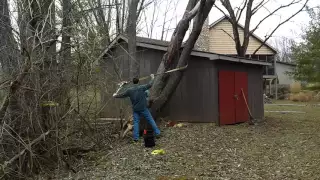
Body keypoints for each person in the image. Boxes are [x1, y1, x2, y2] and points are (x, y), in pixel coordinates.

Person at [113, 74, 161, 142]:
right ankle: (157, 132)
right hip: (143, 108)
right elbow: (150, 85)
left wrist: (115, 95)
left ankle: (136, 138)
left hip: (136, 109)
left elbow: (122, 95)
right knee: (150, 119)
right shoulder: (142, 87)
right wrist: (152, 78)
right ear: (138, 82)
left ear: (133, 82)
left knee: (136, 123)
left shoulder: (129, 90)